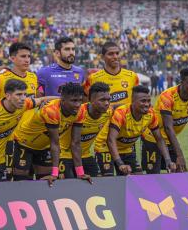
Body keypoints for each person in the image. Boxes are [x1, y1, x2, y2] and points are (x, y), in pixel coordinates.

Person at [0, 79, 56, 183]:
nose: (23, 98)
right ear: (8, 96)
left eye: (24, 94)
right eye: (18, 94)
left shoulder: (24, 104)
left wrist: (63, 99)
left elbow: (42, 100)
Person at [0, 42, 38, 181]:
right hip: (9, 138)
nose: (27, 60)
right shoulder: (2, 77)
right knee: (6, 180)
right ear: (12, 58)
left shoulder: (33, 77)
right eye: (23, 56)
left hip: (28, 136)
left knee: (26, 179)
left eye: (29, 56)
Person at [12, 83, 88, 186]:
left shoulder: (81, 111)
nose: (78, 104)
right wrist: (55, 173)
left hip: (44, 146)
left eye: (80, 100)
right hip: (24, 143)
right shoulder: (51, 110)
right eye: (74, 101)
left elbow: (75, 143)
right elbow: (55, 142)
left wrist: (80, 173)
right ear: (63, 100)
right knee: (22, 182)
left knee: (45, 180)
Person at [83, 41, 139, 176]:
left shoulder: (132, 77)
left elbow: (136, 104)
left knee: (130, 179)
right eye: (110, 54)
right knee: (106, 181)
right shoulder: (94, 78)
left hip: (126, 136)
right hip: (104, 137)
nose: (115, 56)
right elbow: (85, 105)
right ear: (103, 57)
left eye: (117, 53)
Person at [107, 85, 176, 175]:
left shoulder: (151, 114)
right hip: (106, 148)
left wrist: (168, 161)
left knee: (138, 178)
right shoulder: (121, 113)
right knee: (107, 179)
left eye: (148, 101)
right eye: (143, 101)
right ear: (133, 101)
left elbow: (159, 139)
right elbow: (111, 140)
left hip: (127, 149)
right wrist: (120, 163)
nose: (147, 104)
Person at [58, 82, 112, 179]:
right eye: (102, 100)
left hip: (84, 154)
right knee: (67, 186)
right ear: (90, 100)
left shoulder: (108, 113)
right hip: (64, 154)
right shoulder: (77, 112)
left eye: (108, 100)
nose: (106, 103)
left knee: (97, 181)